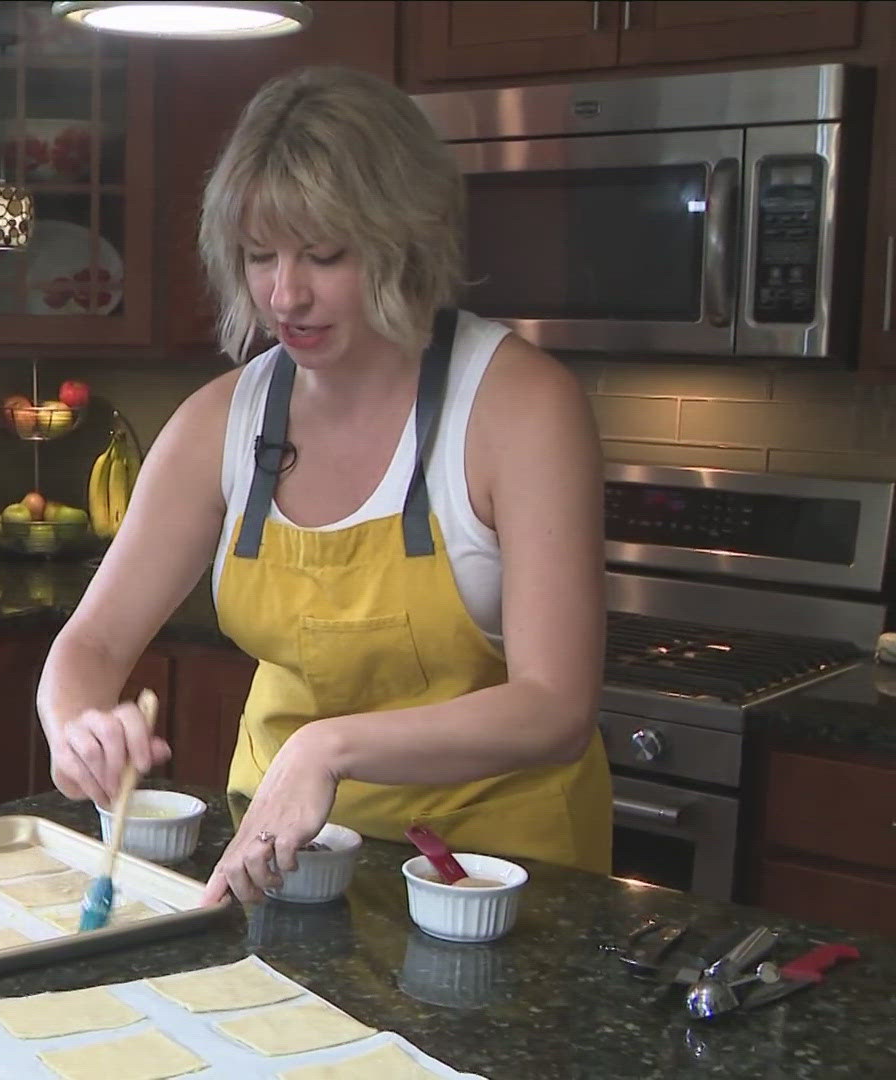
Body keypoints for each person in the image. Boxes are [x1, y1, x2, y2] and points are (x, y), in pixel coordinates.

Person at [37, 66, 612, 906]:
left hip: (499, 880)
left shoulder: (521, 409)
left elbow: (554, 706)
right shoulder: (220, 423)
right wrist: (78, 728)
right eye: (260, 253)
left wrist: (326, 748)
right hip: (282, 862)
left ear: (407, 240)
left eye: (325, 254)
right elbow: (87, 649)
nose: (284, 292)